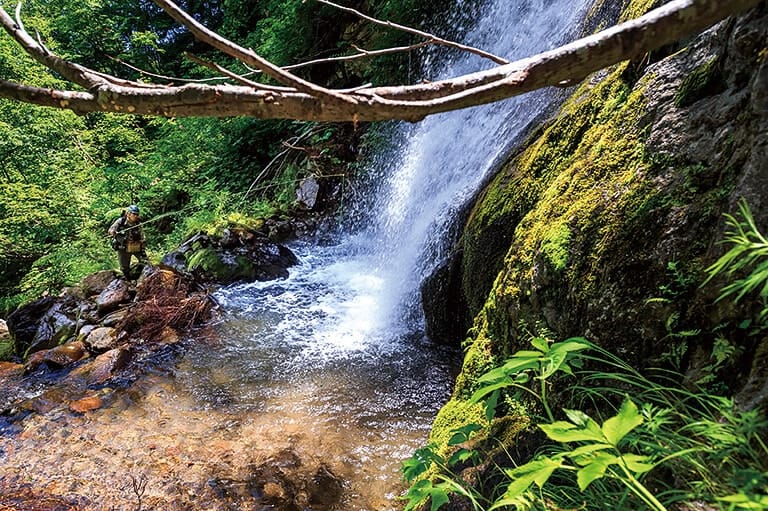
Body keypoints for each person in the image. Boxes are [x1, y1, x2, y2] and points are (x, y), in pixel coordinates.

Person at [108, 204, 148, 280]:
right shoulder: (121, 221)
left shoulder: (138, 223)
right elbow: (110, 230)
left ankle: (138, 276)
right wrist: (113, 232)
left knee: (145, 262)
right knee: (124, 269)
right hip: (123, 247)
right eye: (134, 214)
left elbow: (142, 234)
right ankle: (128, 282)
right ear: (128, 214)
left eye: (137, 214)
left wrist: (143, 242)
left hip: (136, 246)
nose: (136, 216)